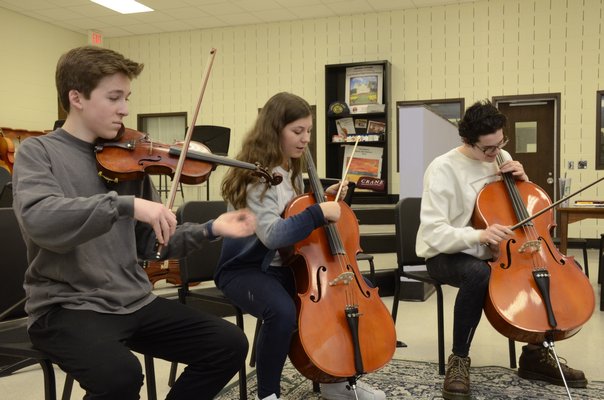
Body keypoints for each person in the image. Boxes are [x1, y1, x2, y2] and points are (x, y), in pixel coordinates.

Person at [11, 45, 257, 400]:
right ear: (76, 97)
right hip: (66, 306)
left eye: (126, 97)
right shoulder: (39, 153)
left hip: (133, 299)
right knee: (120, 376)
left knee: (228, 344)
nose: (125, 109)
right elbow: (41, 221)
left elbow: (151, 245)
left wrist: (211, 229)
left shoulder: (130, 157)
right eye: (114, 98)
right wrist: (125, 205)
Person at [215, 92, 386, 400]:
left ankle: (335, 380)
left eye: (308, 131)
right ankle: (268, 395)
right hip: (246, 270)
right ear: (274, 130)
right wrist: (318, 212)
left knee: (346, 297)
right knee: (281, 312)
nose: (306, 138)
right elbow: (273, 235)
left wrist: (323, 197)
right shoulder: (257, 177)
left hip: (283, 267)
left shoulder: (288, 170)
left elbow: (293, 211)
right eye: (298, 131)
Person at [415, 100, 587, 400]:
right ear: (467, 141)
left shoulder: (501, 156)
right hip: (446, 253)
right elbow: (433, 232)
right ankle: (459, 359)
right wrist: (479, 234)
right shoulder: (443, 169)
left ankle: (535, 354)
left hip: (495, 250)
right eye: (488, 149)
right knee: (478, 275)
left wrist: (523, 180)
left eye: (500, 143)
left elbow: (518, 211)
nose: (496, 154)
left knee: (547, 272)